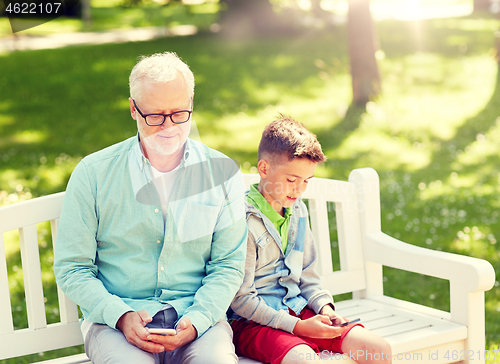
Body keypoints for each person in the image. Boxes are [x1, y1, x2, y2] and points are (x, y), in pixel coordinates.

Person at [54, 52, 247, 364]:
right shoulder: (94, 174)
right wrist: (121, 315)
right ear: (133, 109)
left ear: (192, 105)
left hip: (197, 320)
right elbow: (72, 267)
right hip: (114, 325)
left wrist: (198, 319)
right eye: (155, 116)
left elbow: (228, 265)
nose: (169, 127)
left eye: (180, 114)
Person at [229, 115, 392, 364]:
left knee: (377, 349)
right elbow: (241, 299)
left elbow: (308, 277)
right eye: (292, 180)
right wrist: (298, 327)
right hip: (253, 323)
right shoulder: (242, 221)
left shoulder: (298, 211)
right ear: (263, 169)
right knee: (305, 360)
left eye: (306, 181)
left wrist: (325, 309)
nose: (299, 190)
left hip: (299, 309)